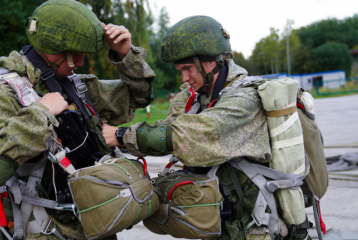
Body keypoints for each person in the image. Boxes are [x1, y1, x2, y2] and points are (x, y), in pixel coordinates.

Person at [0, 0, 155, 239]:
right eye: (76, 54)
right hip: (38, 230)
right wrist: (39, 115)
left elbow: (139, 96)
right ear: (53, 48)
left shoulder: (76, 86)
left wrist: (126, 55)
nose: (82, 62)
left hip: (92, 223)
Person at [103, 16, 284, 240]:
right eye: (180, 70)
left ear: (212, 61)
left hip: (254, 225)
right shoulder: (198, 97)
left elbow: (190, 135)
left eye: (188, 68)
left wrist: (122, 135)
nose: (185, 77)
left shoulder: (245, 98)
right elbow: (168, 125)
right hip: (220, 221)